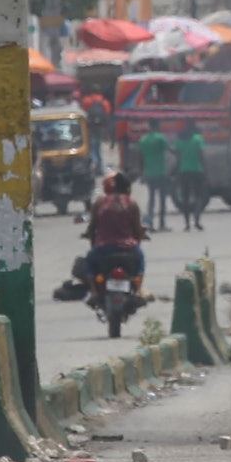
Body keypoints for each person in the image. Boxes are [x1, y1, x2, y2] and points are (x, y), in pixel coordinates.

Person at [84, 172, 147, 304]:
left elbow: (92, 228)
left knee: (89, 261)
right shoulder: (132, 203)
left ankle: (94, 292)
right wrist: (140, 237)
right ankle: (138, 290)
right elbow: (137, 229)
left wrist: (93, 244)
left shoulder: (100, 202)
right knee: (140, 259)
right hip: (128, 248)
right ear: (128, 188)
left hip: (103, 249)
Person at [137, 119, 172, 232]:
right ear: (157, 126)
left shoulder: (143, 140)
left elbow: (140, 158)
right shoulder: (160, 138)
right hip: (160, 172)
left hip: (149, 173)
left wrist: (142, 173)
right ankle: (162, 224)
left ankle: (150, 223)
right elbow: (169, 150)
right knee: (162, 199)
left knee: (151, 199)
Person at [174, 121, 207, 232]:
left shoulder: (179, 140)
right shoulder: (198, 139)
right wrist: (206, 172)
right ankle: (196, 220)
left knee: (185, 198)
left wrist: (177, 172)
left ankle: (187, 224)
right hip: (196, 170)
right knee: (199, 196)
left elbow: (178, 158)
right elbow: (201, 156)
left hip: (183, 171)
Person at [81, 91, 112, 174]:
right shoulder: (105, 102)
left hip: (90, 127)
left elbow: (83, 113)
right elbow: (107, 115)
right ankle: (100, 167)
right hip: (100, 128)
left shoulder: (87, 100)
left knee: (92, 146)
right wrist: (107, 130)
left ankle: (94, 163)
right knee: (98, 147)